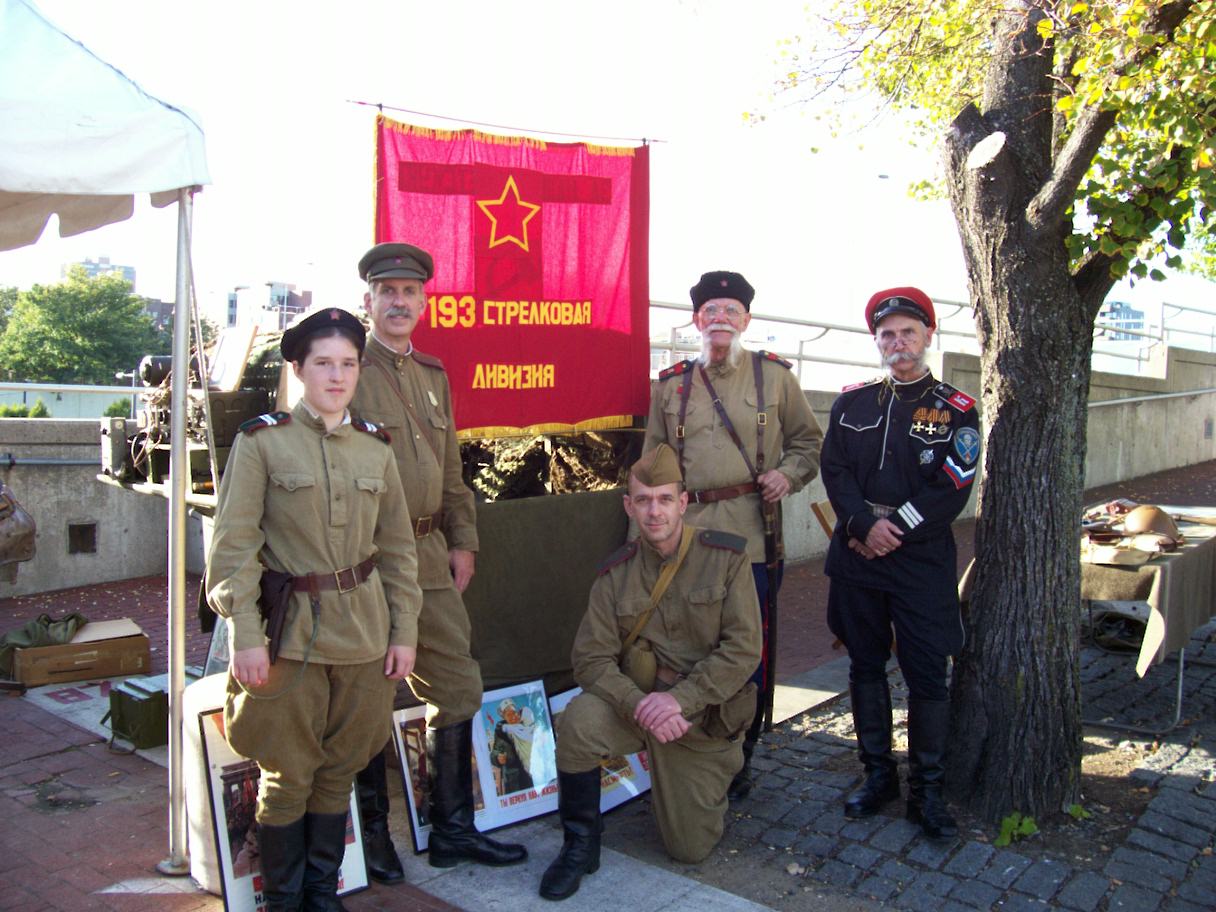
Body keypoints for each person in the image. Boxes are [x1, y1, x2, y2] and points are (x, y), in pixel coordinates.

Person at [207, 307, 423, 911]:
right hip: (289, 637)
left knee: (339, 770)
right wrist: (245, 634)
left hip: (363, 634)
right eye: (323, 363)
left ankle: (320, 896)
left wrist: (404, 632)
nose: (337, 375)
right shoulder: (262, 442)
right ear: (299, 369)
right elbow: (234, 549)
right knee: (287, 773)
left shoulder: (376, 450)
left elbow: (401, 553)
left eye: (348, 363)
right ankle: (281, 902)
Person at [349, 242, 527, 875]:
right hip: (367, 559)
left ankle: (453, 829)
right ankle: (373, 841)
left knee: (457, 687)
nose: (398, 302)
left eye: (409, 293)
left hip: (429, 554)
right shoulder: (345, 366)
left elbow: (451, 469)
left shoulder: (432, 373)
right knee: (369, 696)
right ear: (367, 301)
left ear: (424, 302)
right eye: (386, 292)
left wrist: (464, 537)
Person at [539, 444, 761, 901]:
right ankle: (580, 846)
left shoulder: (727, 558)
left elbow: (744, 650)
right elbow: (590, 660)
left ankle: (718, 770)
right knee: (579, 721)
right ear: (629, 506)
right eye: (643, 500)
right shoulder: (613, 574)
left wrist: (679, 700)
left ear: (682, 502)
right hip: (637, 710)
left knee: (689, 849)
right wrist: (639, 704)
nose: (653, 511)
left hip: (698, 718)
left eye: (663, 499)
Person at [643, 270, 823, 801]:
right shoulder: (672, 384)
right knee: (686, 643)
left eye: (730, 311)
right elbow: (652, 465)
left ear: (746, 320)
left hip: (752, 537)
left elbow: (809, 443)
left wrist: (786, 475)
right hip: (689, 537)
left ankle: (742, 750)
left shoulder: (776, 379)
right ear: (697, 320)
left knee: (748, 647)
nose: (720, 319)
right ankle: (691, 743)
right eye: (710, 311)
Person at [820, 286, 981, 840]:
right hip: (858, 556)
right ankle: (878, 775)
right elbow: (835, 472)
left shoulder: (958, 409)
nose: (898, 342)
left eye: (908, 332)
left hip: (919, 561)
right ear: (877, 341)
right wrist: (864, 525)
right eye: (887, 334)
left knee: (926, 677)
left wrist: (893, 530)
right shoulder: (851, 404)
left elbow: (951, 488)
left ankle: (927, 792)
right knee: (864, 665)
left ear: (928, 336)